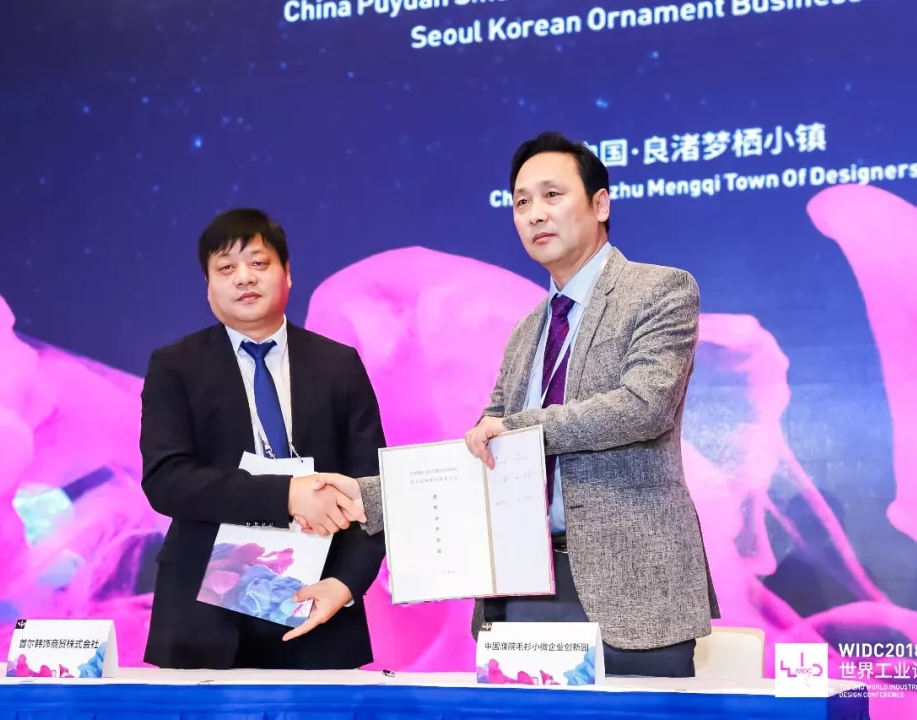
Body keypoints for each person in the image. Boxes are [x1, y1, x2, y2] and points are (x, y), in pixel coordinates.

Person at [308, 132, 720, 677]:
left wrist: (518, 428)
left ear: (600, 204)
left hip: (632, 588)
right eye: (522, 202)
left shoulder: (660, 290)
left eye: (552, 195)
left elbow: (643, 406)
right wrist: (367, 497)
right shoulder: (527, 330)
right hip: (525, 584)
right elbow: (486, 452)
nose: (534, 214)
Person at [139, 208, 380, 670]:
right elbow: (167, 480)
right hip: (202, 617)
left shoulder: (339, 365)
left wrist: (346, 584)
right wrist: (287, 494)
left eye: (258, 263)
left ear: (287, 273)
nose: (244, 277)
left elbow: (372, 488)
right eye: (225, 268)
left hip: (319, 609)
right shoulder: (176, 366)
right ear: (208, 286)